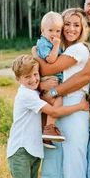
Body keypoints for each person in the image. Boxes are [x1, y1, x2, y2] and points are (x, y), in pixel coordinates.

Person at [0, 54, 89, 178]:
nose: (33, 79)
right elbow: (54, 111)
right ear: (18, 79)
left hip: (33, 151)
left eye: (35, 75)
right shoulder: (26, 95)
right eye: (27, 77)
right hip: (20, 151)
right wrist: (79, 107)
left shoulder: (33, 91)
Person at [35, 8, 90, 178]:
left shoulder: (79, 49)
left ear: (83, 29)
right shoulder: (61, 49)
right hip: (54, 111)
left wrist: (34, 53)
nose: (70, 28)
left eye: (76, 24)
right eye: (66, 24)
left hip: (75, 110)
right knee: (51, 171)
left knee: (75, 170)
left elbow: (48, 68)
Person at [36, 11, 64, 149]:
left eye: (58, 31)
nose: (54, 34)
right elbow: (51, 59)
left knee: (50, 105)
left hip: (51, 80)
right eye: (51, 30)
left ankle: (46, 134)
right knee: (57, 100)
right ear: (43, 31)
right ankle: (49, 129)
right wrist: (57, 45)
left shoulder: (49, 42)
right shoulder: (44, 44)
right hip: (49, 80)